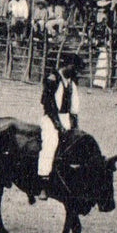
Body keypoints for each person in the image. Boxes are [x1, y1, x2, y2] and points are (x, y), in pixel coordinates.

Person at [36, 52, 82, 200]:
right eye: (74, 68)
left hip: (65, 118)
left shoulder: (71, 83)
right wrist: (58, 126)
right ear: (67, 66)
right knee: (51, 142)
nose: (76, 72)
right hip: (51, 118)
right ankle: (43, 182)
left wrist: (75, 128)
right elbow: (49, 106)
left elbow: (74, 109)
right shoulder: (52, 79)